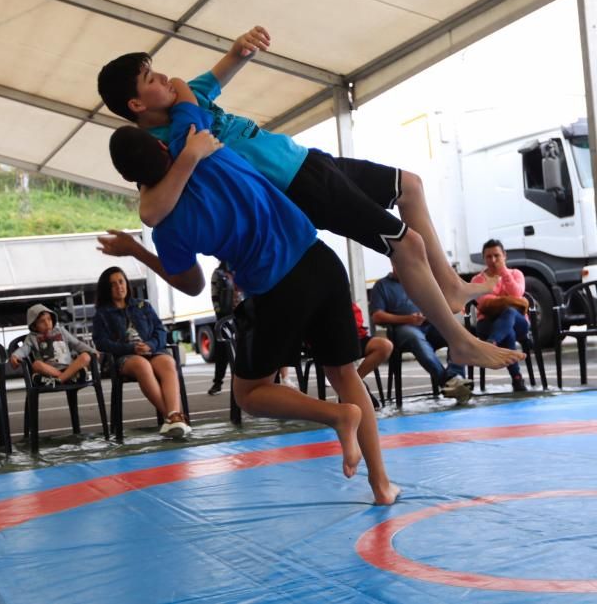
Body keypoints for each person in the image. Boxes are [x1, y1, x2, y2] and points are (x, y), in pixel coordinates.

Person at [97, 28, 522, 372]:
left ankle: (449, 284)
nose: (164, 78)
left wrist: (240, 51)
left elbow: (215, 77)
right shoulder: (162, 145)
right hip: (297, 185)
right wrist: (186, 150)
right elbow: (152, 207)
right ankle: (460, 342)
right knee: (405, 244)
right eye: (151, 78)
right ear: (136, 104)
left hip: (306, 160)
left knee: (409, 185)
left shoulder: (186, 97)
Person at [102, 76, 399, 504]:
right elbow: (186, 94)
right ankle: (381, 484)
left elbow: (192, 284)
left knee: (250, 393)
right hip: (320, 259)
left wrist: (137, 251)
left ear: (134, 181)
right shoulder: (197, 137)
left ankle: (336, 416)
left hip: (278, 286)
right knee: (344, 373)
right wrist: (178, 98)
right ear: (163, 145)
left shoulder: (166, 225)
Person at [92, 266, 191, 438]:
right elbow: (101, 343)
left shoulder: (143, 306)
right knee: (141, 364)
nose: (119, 287)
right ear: (107, 289)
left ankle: (173, 417)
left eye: (121, 282)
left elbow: (161, 331)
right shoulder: (102, 314)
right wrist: (131, 348)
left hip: (151, 351)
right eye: (113, 284)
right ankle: (174, 418)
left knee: (168, 361)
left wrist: (151, 345)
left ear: (127, 284)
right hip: (124, 358)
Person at [370, 270, 475, 404]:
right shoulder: (382, 286)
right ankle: (449, 383)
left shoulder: (421, 280)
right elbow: (377, 316)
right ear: (393, 263)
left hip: (429, 324)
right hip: (403, 327)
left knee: (455, 332)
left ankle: (455, 376)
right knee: (416, 338)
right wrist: (408, 319)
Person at [470, 239, 531, 392]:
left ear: (504, 256)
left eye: (497, 255)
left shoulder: (516, 274)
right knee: (507, 330)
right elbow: (484, 303)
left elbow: (517, 292)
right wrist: (511, 301)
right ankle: (517, 378)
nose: (493, 260)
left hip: (518, 322)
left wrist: (503, 272)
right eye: (488, 257)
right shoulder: (477, 280)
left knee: (509, 313)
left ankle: (491, 344)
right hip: (488, 322)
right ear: (484, 258)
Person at [9, 304, 95, 385]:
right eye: (42, 321)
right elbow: (24, 349)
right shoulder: (32, 337)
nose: (47, 323)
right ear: (34, 326)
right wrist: (15, 356)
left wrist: (92, 351)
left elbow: (77, 344)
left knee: (86, 356)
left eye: (49, 319)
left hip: (69, 367)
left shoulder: (61, 331)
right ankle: (69, 377)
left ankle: (60, 379)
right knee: (36, 364)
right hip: (49, 371)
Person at [207, 261, 242, 396]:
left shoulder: (240, 269)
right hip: (225, 316)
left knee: (242, 349)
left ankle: (242, 382)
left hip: (242, 314)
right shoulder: (218, 273)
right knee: (223, 350)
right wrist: (220, 314)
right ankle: (218, 382)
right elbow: (214, 296)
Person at [351, 301, 393, 408]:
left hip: (354, 336)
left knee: (384, 346)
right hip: (329, 340)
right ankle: (354, 388)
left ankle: (355, 383)